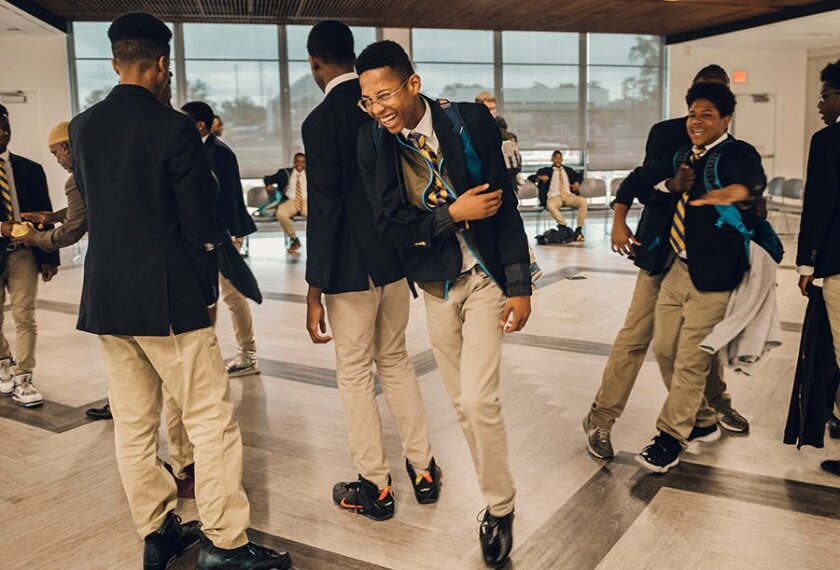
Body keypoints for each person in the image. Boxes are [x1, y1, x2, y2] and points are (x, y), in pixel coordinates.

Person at [69, 12, 290, 569]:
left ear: (115, 60)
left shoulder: (83, 127)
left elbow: (99, 211)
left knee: (135, 425)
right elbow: (199, 227)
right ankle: (223, 542)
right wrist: (207, 296)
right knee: (210, 419)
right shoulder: (173, 129)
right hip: (168, 301)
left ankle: (158, 529)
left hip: (107, 299)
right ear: (162, 64)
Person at [356, 40, 531, 567]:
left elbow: (504, 204)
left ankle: (500, 508)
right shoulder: (374, 143)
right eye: (367, 100)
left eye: (383, 94)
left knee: (478, 401)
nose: (377, 107)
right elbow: (390, 228)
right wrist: (451, 213)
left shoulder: (470, 121)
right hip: (436, 284)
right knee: (461, 405)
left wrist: (520, 284)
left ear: (413, 84)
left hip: (485, 276)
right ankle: (494, 495)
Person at [302, 20, 440, 521]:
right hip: (393, 260)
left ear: (315, 62)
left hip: (346, 272)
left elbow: (326, 205)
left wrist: (315, 283)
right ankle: (424, 470)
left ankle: (375, 485)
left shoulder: (320, 123)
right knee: (397, 361)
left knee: (356, 373)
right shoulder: (386, 113)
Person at [582, 64, 749, 460]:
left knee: (699, 343)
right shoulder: (667, 133)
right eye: (700, 100)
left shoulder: (730, 147)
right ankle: (600, 421)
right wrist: (623, 219)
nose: (705, 111)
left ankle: (713, 407)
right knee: (635, 336)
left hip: (701, 263)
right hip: (660, 251)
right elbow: (643, 186)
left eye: (718, 98)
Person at [619, 82, 765, 473]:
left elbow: (752, 181)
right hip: (677, 269)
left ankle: (669, 437)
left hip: (715, 276)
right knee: (665, 348)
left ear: (725, 119)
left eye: (707, 115)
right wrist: (664, 186)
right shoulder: (682, 155)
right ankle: (700, 419)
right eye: (692, 114)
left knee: (690, 358)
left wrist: (734, 192)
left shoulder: (737, 153)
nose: (697, 121)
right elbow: (639, 179)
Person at [181, 100, 260, 378]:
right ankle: (203, 356)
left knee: (232, 295)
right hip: (203, 237)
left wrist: (223, 239)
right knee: (206, 297)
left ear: (200, 125)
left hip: (223, 235)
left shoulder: (219, 153)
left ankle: (247, 354)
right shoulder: (193, 151)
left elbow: (226, 199)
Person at [0, 103, 60, 409]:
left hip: (25, 253)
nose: (2, 133)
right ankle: (2, 362)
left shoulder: (30, 169)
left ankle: (23, 377)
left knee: (25, 316)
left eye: (6, 127)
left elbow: (46, 216)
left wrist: (51, 256)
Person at [797, 58, 840, 477]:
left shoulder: (829, 141)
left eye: (825, 95)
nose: (820, 105)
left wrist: (808, 262)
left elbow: (821, 206)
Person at [529, 150, 586, 241]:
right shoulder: (546, 171)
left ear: (562, 159)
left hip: (568, 196)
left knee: (583, 201)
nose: (558, 160)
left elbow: (579, 176)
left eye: (560, 158)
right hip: (554, 196)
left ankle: (579, 229)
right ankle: (564, 227)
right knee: (551, 205)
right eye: (556, 158)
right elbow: (531, 178)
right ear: (552, 159)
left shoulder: (568, 170)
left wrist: (577, 183)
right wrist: (540, 178)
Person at [275, 152, 307, 253]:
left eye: (303, 162)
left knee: (318, 216)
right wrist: (268, 184)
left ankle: (318, 241)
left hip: (307, 200)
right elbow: (268, 178)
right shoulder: (285, 173)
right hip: (291, 200)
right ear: (294, 162)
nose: (300, 164)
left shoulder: (312, 173)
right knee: (281, 214)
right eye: (297, 161)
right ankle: (294, 239)